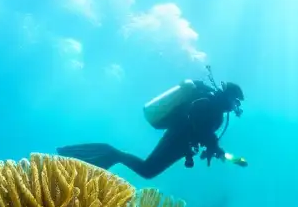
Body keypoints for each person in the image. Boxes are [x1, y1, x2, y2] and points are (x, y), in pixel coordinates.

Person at [58, 73, 245, 180]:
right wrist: (212, 144)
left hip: (180, 143)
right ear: (228, 96)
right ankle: (109, 153)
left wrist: (213, 148)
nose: (235, 107)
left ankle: (107, 156)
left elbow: (203, 131)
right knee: (148, 170)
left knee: (148, 170)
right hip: (177, 139)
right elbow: (197, 122)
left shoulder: (215, 111)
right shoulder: (208, 103)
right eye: (236, 101)